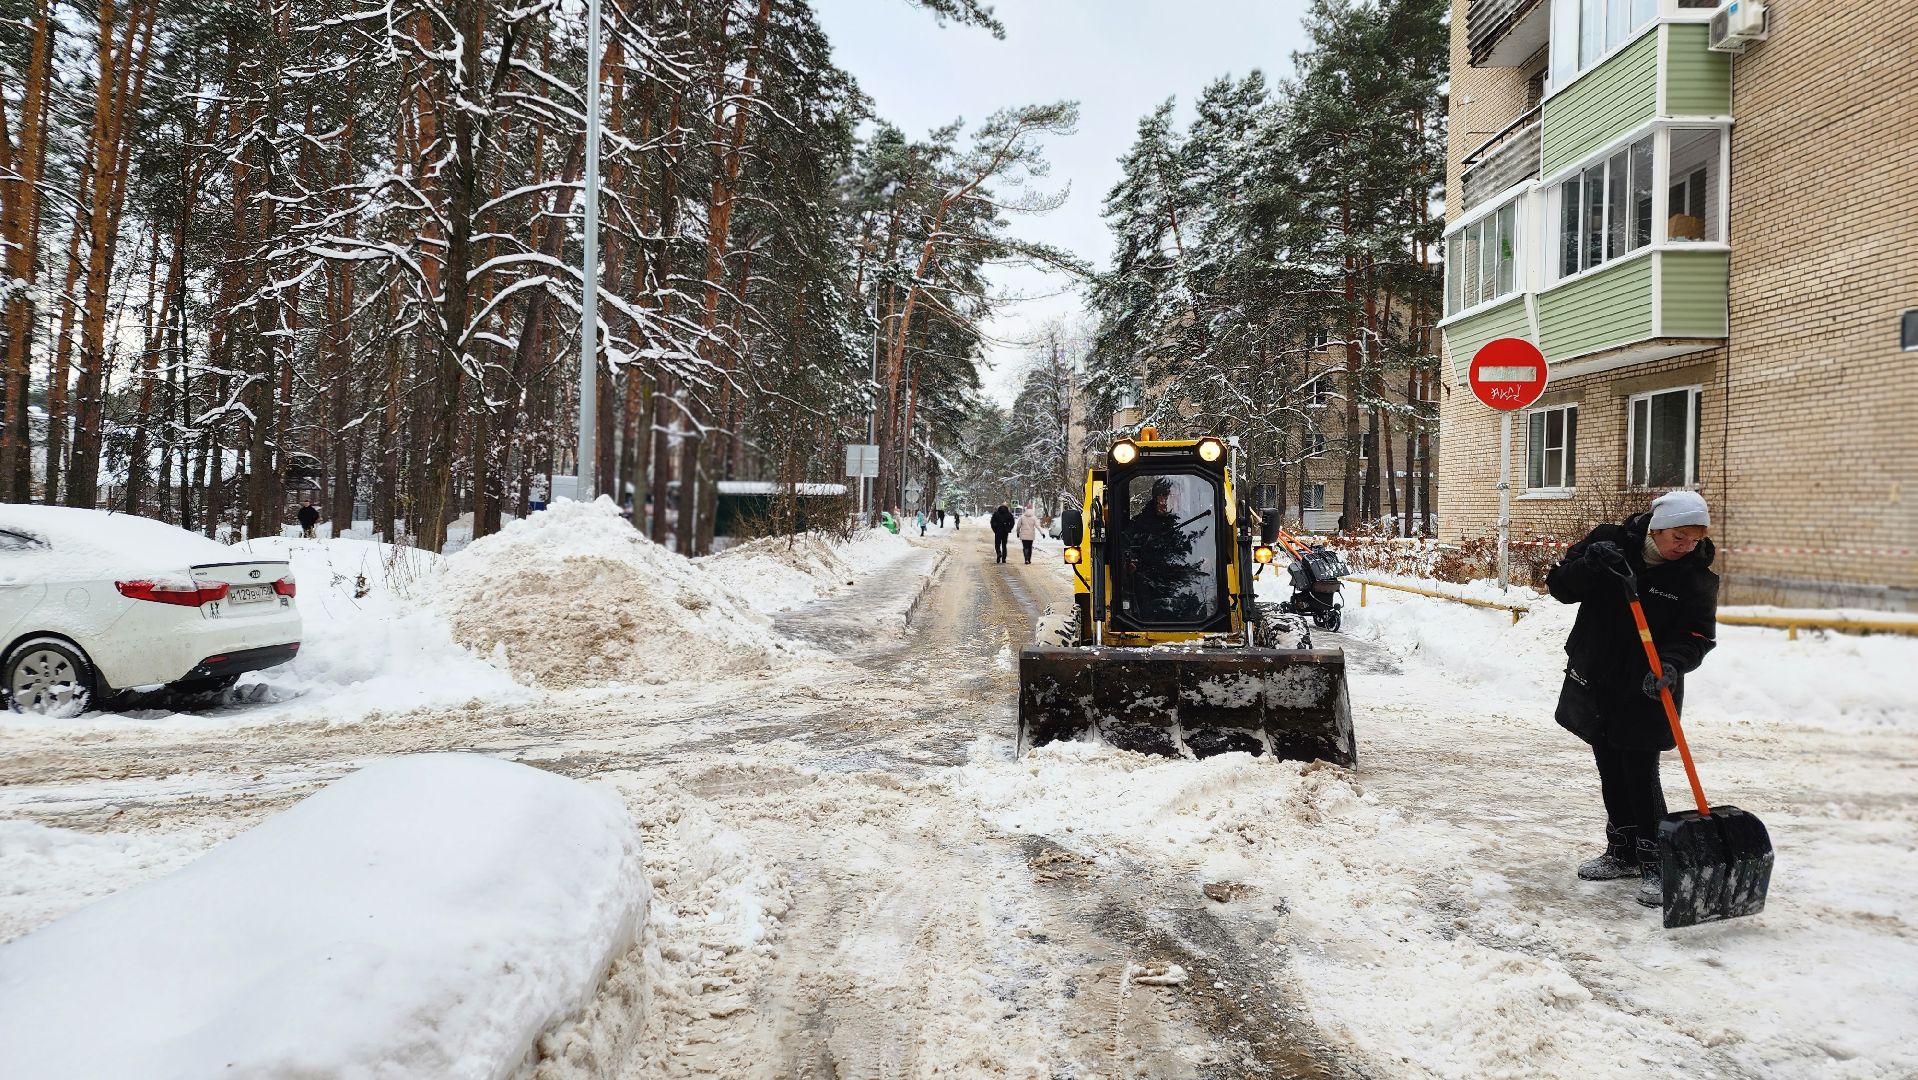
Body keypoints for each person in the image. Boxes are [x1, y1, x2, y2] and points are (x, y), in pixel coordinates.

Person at [1547, 490, 1719, 909]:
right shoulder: (1610, 541)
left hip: (1649, 682)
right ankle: (1621, 852)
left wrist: (1673, 664)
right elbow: (1560, 587)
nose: (1686, 547)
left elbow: (1698, 634)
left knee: (1640, 770)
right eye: (1679, 537)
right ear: (1657, 529)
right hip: (1597, 673)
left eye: (1694, 540)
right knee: (1608, 759)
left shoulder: (1695, 575)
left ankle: (1659, 863)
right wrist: (1589, 564)